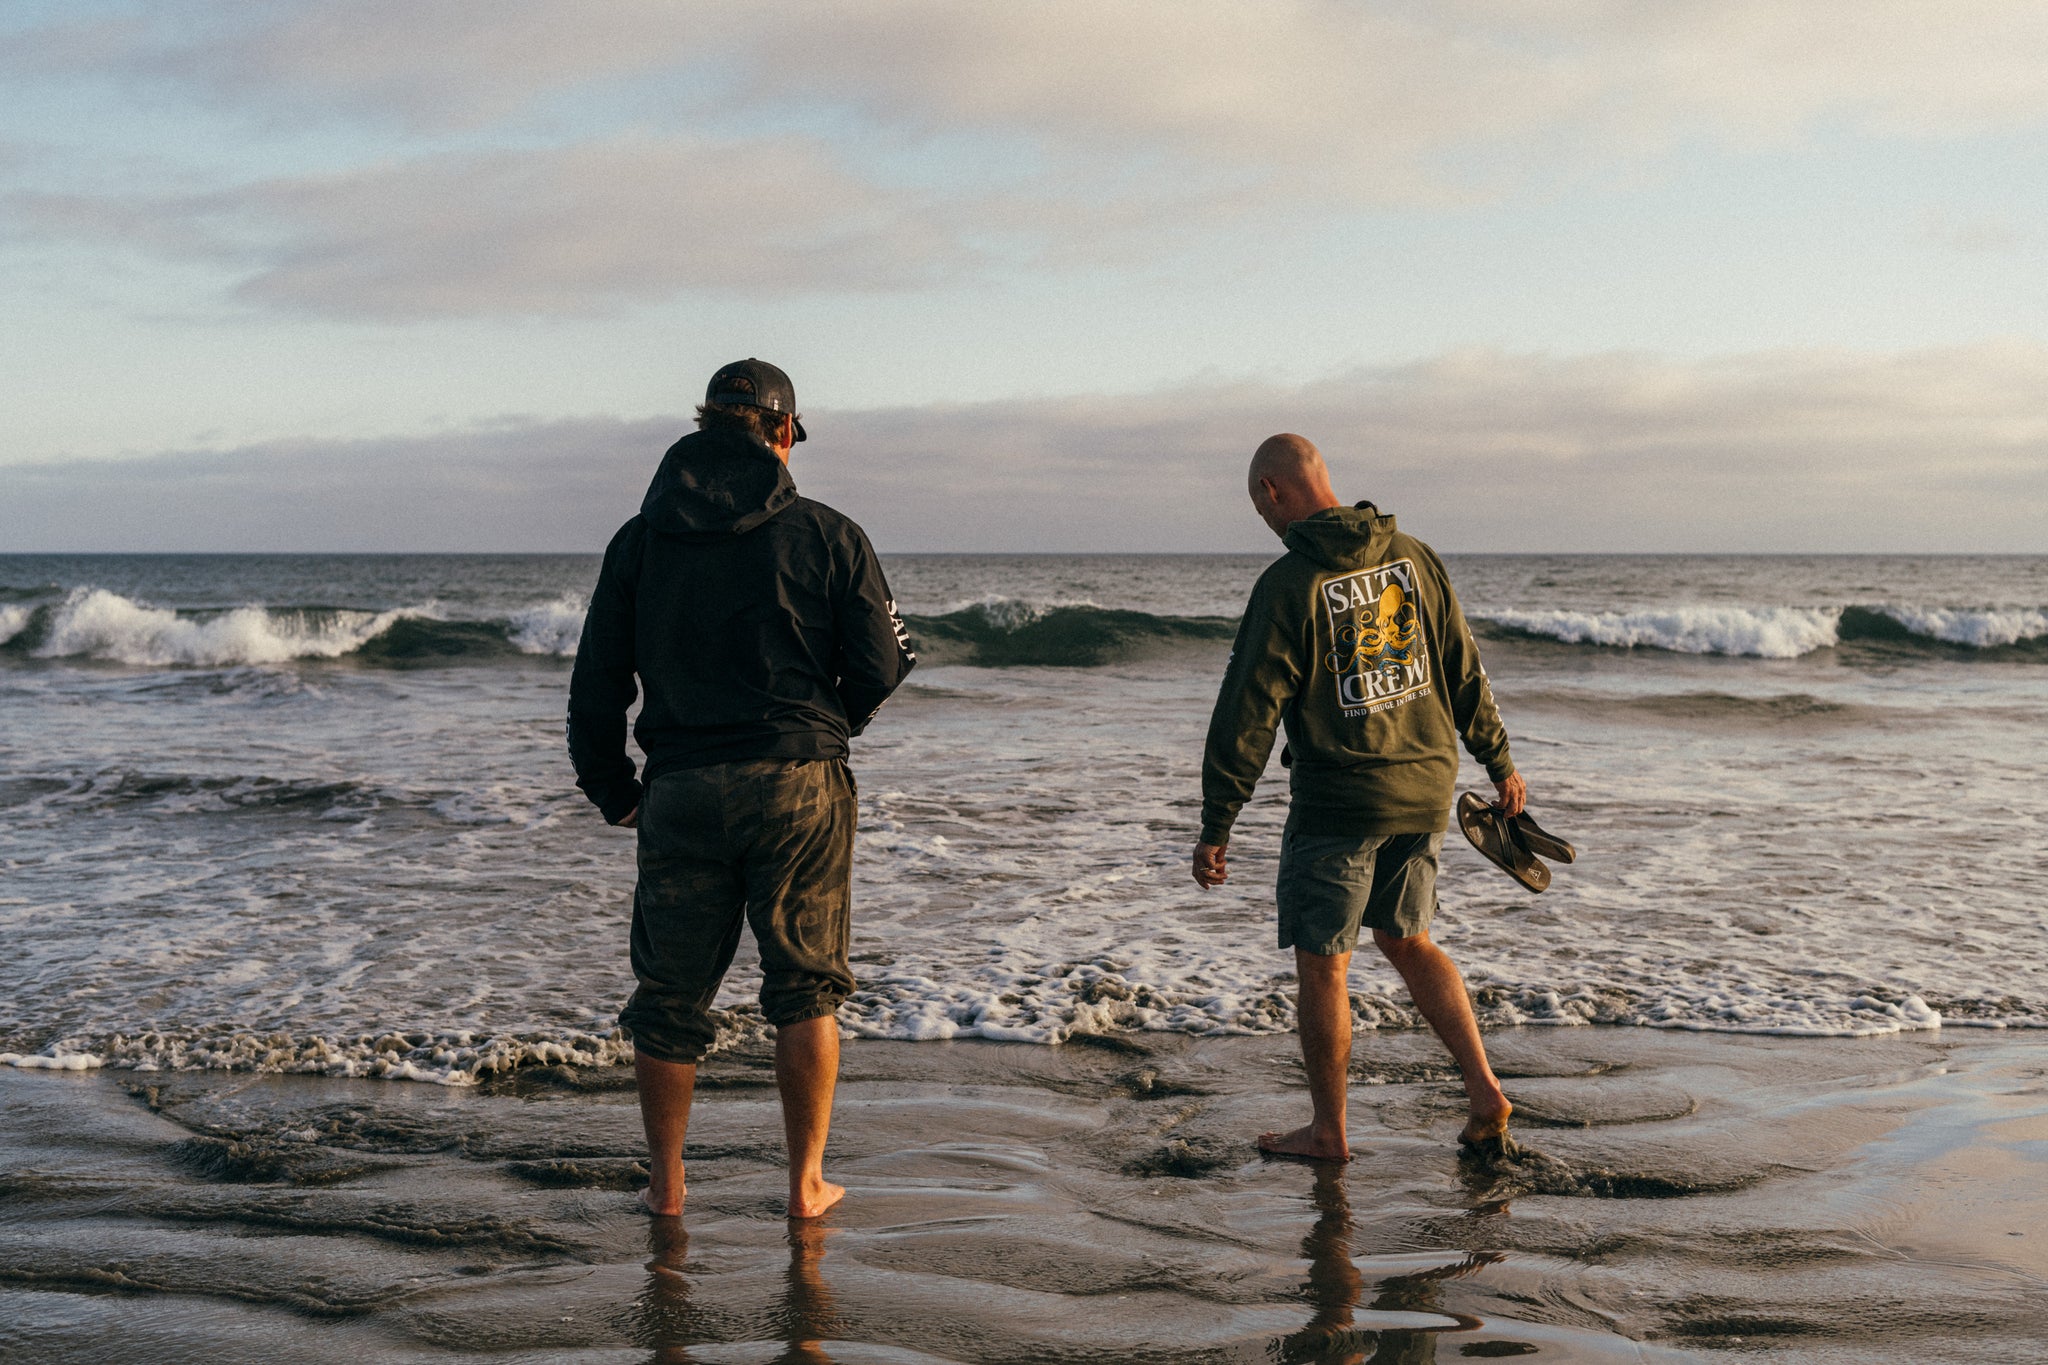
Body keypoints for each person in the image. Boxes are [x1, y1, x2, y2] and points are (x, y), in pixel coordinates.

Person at [568, 358, 916, 1218]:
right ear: (785, 434)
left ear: (705, 425)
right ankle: (804, 1185)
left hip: (681, 785)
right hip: (800, 781)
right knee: (804, 987)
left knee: (669, 999)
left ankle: (668, 1185)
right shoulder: (829, 533)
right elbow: (883, 661)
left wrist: (612, 788)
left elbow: (595, 681)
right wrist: (831, 725)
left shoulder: (638, 541)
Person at [1192, 433, 1523, 1161]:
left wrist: (1219, 819)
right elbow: (1462, 664)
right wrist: (1497, 759)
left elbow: (1248, 710)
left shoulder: (1287, 586)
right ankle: (1484, 1092)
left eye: (1258, 504)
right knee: (1408, 939)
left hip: (1341, 799)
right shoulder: (1413, 555)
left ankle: (1328, 1130)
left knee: (1324, 962)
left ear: (1274, 492)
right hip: (1426, 785)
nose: (1263, 518)